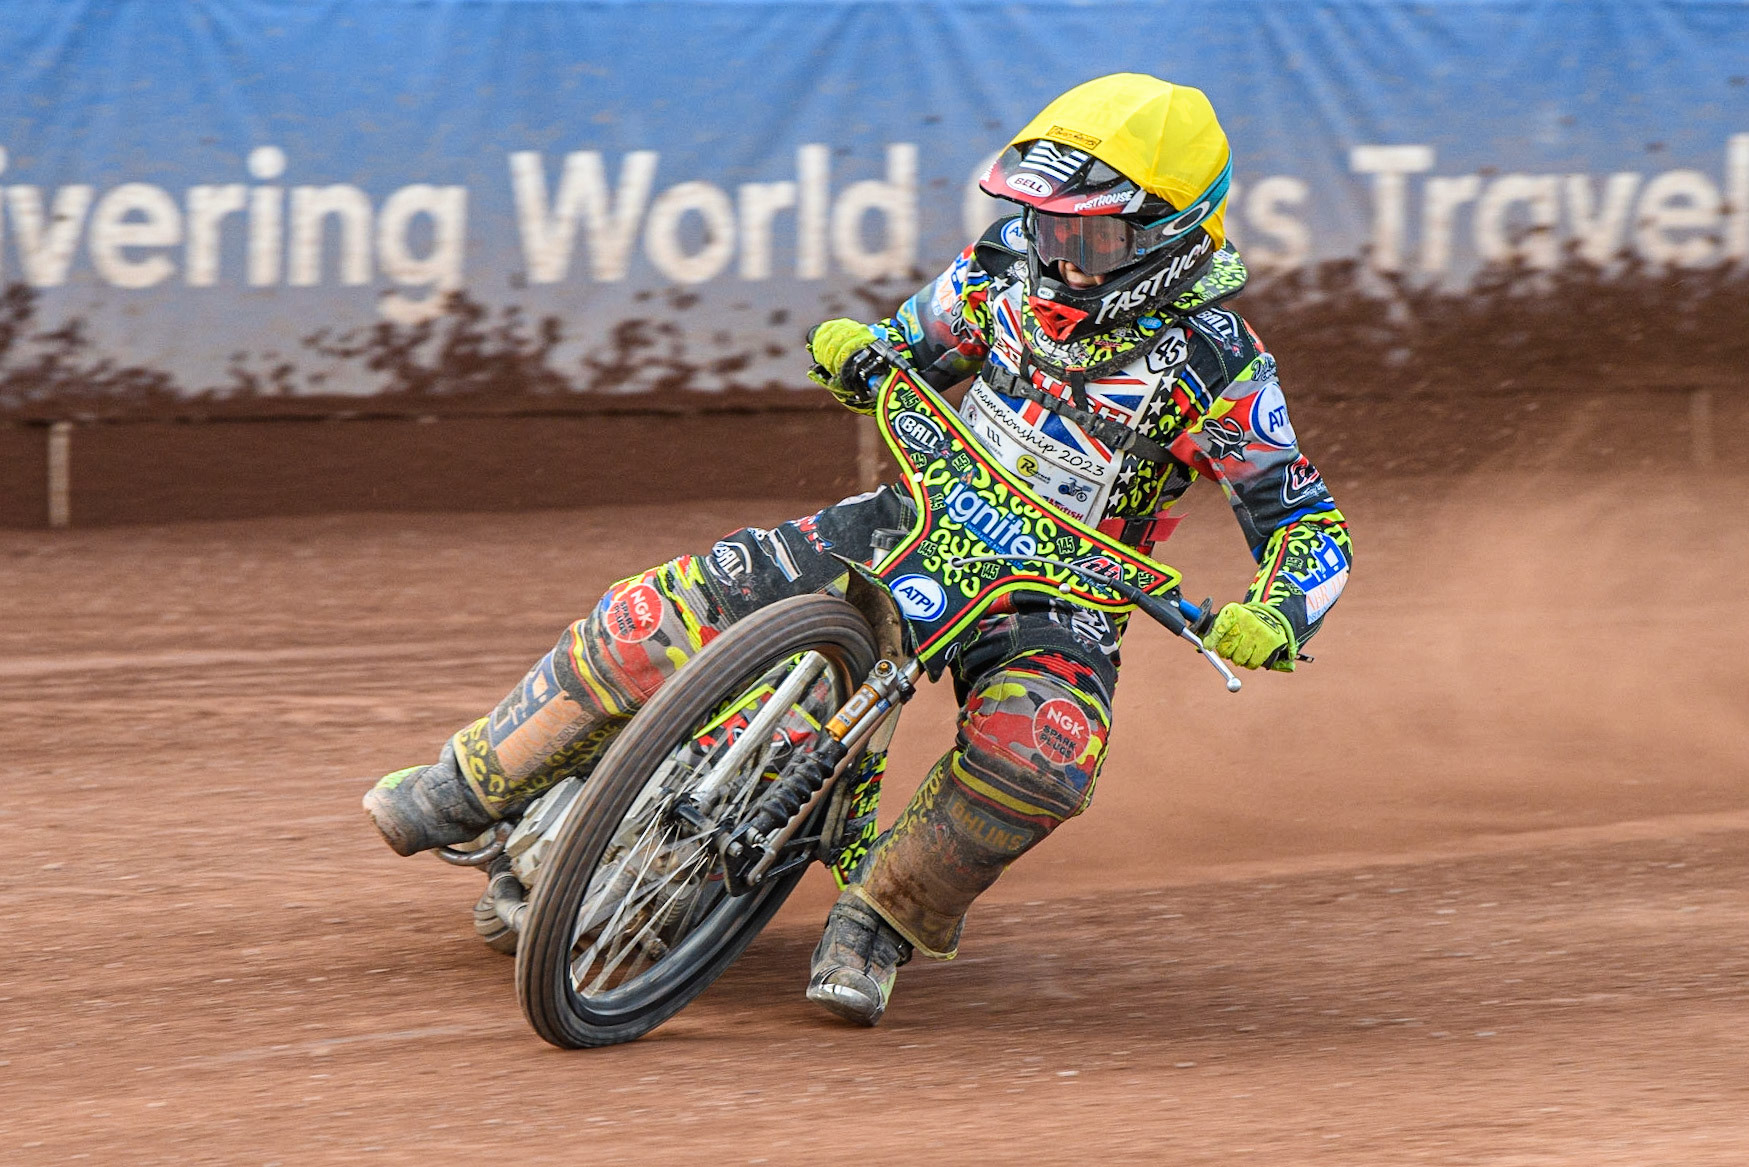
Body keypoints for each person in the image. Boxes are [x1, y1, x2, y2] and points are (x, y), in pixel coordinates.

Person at [363, 73, 1352, 1027]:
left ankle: (881, 916)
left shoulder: (1221, 367)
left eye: (1085, 232)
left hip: (1063, 594)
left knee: (1045, 757)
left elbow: (1307, 526)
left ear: (1167, 240)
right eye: (1046, 224)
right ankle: (470, 782)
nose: (1058, 253)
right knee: (656, 612)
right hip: (917, 515)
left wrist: (1277, 613)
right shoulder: (1001, 270)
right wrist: (861, 351)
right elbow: (908, 345)